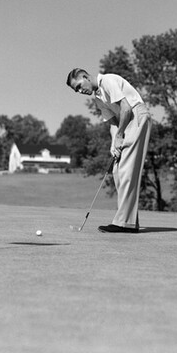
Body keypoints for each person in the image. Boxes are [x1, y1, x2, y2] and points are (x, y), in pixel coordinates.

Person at [66, 68, 152, 234]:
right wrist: (114, 144)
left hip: (137, 116)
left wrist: (120, 135)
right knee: (118, 171)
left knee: (127, 170)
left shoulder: (107, 81)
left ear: (84, 77)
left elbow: (126, 109)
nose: (79, 91)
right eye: (76, 90)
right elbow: (114, 123)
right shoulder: (98, 99)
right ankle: (129, 222)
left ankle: (123, 223)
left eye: (78, 86)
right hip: (125, 123)